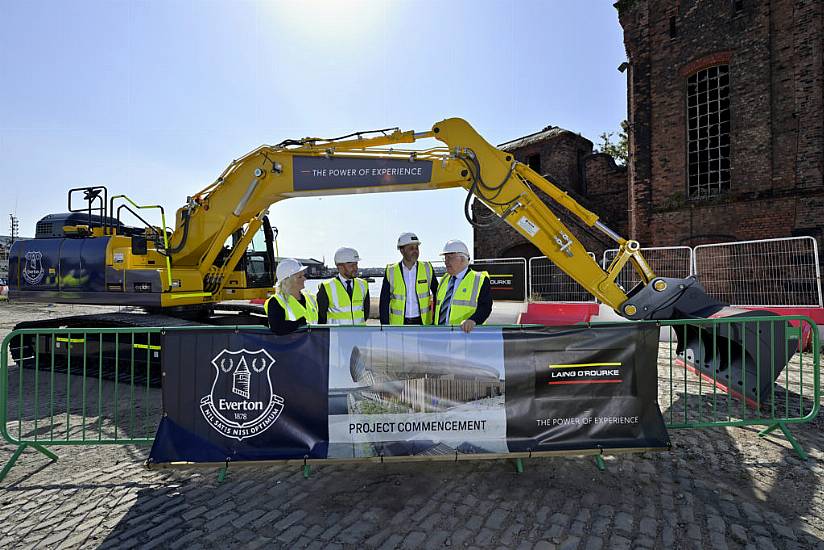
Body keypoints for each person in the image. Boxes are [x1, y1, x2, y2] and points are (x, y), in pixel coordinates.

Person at [379, 232, 438, 325]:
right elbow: (384, 302)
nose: (415, 251)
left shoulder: (427, 268)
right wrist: (385, 326)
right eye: (411, 248)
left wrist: (436, 319)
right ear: (402, 250)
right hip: (399, 324)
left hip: (423, 323)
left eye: (417, 248)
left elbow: (438, 294)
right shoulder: (391, 271)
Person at [434, 239, 492, 333]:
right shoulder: (444, 279)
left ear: (462, 259)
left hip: (466, 336)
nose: (446, 261)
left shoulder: (479, 279)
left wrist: (473, 320)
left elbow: (486, 307)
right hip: (442, 336)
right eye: (445, 258)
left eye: (450, 257)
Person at [265, 258, 319, 335]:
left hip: (313, 345)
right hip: (291, 346)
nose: (305, 279)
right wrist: (301, 323)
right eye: (300, 277)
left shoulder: (310, 298)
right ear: (288, 281)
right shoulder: (276, 302)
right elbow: (277, 328)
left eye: (303, 275)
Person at [317, 247, 370, 325]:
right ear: (339, 266)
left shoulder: (363, 285)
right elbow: (321, 318)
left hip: (360, 335)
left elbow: (366, 313)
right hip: (336, 336)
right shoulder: (326, 287)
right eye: (351, 265)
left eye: (356, 264)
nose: (355, 268)